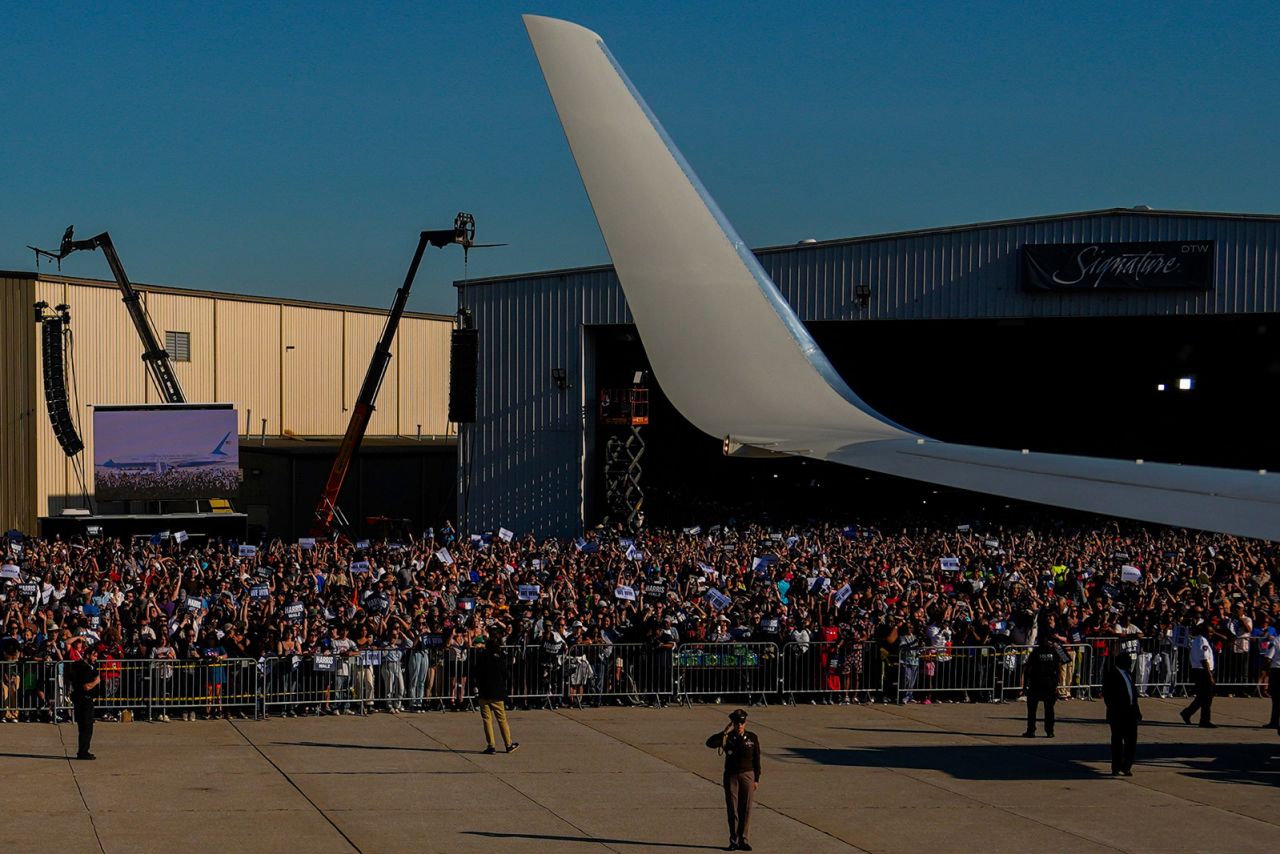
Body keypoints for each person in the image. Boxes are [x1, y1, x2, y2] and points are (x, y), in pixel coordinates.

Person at [705, 708, 761, 851]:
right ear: (733, 723)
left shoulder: (752, 737)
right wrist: (724, 731)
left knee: (746, 809)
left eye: (742, 722)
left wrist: (756, 779)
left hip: (748, 775)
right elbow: (710, 743)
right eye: (736, 723)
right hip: (731, 776)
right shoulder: (728, 738)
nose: (739, 725)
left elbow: (757, 759)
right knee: (733, 809)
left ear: (745, 722)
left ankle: (744, 839)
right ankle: (734, 840)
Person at [474, 634, 519, 755]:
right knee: (502, 719)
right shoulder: (499, 660)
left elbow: (476, 673)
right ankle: (508, 744)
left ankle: (491, 745)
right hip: (497, 693)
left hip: (484, 692)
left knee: (487, 720)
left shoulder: (481, 658)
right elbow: (506, 675)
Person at [1102, 651, 1141, 776]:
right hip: (1118, 713)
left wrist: (1137, 711)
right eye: (1128, 660)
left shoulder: (1128, 673)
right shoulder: (1111, 674)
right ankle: (1116, 766)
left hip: (1130, 712)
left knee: (1131, 741)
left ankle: (1127, 765)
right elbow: (1108, 695)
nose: (1130, 662)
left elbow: (1133, 695)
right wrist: (1115, 709)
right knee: (1117, 741)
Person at [1022, 635, 1060, 738]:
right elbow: (1063, 663)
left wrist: (1025, 686)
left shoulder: (1036, 652)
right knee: (1049, 709)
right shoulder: (1054, 652)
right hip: (1049, 683)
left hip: (1036, 683)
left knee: (1032, 709)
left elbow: (1028, 669)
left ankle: (1031, 730)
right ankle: (1050, 731)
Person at [69, 643, 102, 760]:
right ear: (88, 655)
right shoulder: (83, 668)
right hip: (84, 699)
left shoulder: (85, 666)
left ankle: (83, 750)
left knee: (85, 727)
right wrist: (96, 682)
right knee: (86, 727)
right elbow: (86, 686)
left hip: (82, 699)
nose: (95, 659)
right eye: (94, 656)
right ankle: (83, 751)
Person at [1180, 623, 1216, 728]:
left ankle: (1187, 713)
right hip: (1202, 671)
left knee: (1202, 697)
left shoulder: (1199, 640)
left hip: (1201, 671)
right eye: (1209, 632)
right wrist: (1210, 676)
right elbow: (1204, 660)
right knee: (1207, 697)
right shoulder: (1202, 641)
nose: (1211, 634)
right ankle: (1204, 720)